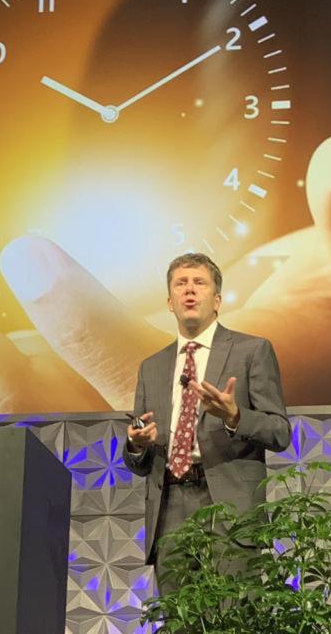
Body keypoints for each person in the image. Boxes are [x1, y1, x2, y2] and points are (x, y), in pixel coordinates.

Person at [123, 252, 290, 593]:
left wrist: (235, 416)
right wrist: (136, 444)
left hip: (229, 507)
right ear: (170, 302)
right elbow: (137, 462)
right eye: (180, 284)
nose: (189, 290)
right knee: (179, 619)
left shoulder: (251, 351)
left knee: (233, 618)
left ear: (217, 300)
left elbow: (280, 432)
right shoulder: (151, 367)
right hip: (169, 507)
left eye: (199, 283)